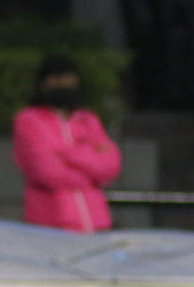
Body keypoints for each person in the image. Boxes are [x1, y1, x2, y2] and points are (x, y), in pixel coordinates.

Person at [11, 53, 122, 233]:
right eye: (56, 78)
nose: (63, 84)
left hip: (96, 226)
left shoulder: (88, 120)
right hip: (50, 228)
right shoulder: (29, 120)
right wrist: (90, 173)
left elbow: (110, 166)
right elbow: (46, 172)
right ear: (43, 83)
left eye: (68, 78)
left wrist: (68, 154)